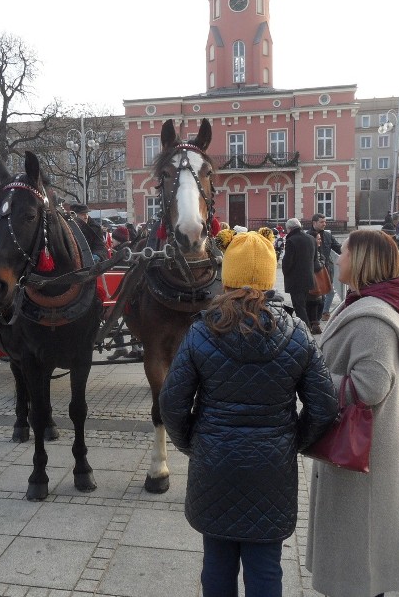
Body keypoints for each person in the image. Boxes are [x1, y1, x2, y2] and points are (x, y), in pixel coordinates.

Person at [160, 230, 337, 597]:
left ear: (227, 278)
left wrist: (194, 442)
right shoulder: (298, 333)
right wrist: (292, 439)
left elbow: (172, 403)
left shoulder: (201, 332)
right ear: (269, 276)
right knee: (265, 566)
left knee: (217, 561)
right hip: (272, 465)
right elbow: (324, 407)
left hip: (215, 460)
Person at [306, 230, 399, 597]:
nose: (337, 258)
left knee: (358, 553)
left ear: (361, 261)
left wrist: (311, 376)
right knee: (353, 548)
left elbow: (369, 387)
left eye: (342, 252)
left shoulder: (373, 319)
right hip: (360, 447)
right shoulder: (359, 303)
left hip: (362, 453)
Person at [281, 218, 315, 329]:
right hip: (308, 277)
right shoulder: (310, 238)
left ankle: (306, 330)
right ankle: (306, 327)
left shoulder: (291, 240)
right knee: (304, 305)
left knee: (299, 307)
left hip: (295, 279)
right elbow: (314, 258)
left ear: (289, 229)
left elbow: (287, 261)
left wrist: (285, 271)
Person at [308, 214, 342, 321]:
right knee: (318, 296)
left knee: (329, 292)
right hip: (314, 271)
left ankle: (324, 313)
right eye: (322, 222)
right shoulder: (308, 236)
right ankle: (316, 319)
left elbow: (338, 248)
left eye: (325, 222)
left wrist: (350, 252)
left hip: (327, 269)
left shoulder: (327, 235)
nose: (324, 224)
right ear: (314, 223)